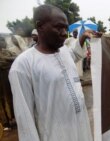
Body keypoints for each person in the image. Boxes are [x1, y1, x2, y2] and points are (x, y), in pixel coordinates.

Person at [8, 4, 94, 141]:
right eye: (59, 27)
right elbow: (25, 121)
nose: (64, 33)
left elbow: (74, 54)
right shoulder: (23, 66)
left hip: (81, 129)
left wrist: (82, 38)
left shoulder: (64, 51)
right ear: (40, 26)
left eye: (66, 28)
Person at [0, 36, 17, 130]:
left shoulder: (7, 51)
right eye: (1, 41)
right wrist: (9, 60)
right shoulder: (8, 53)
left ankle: (14, 118)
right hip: (1, 82)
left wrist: (6, 59)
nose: (3, 42)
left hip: (9, 80)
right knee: (2, 101)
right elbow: (2, 63)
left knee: (11, 99)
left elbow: (16, 57)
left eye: (3, 40)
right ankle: (6, 122)